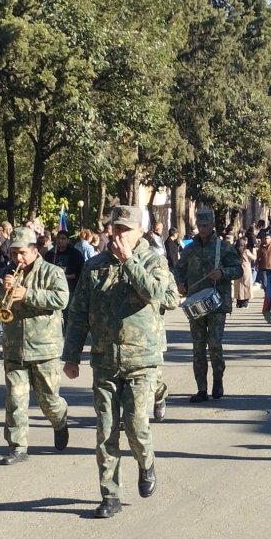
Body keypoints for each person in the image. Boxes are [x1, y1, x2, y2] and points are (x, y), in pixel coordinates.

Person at [63, 205, 178, 519]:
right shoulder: (94, 266)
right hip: (105, 360)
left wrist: (130, 263)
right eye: (115, 229)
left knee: (137, 425)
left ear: (139, 231)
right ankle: (109, 495)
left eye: (126, 229)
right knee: (106, 431)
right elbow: (79, 313)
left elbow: (162, 296)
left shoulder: (155, 261)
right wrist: (71, 356)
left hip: (142, 360)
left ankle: (146, 463)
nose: (119, 235)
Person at [0, 228, 70, 463]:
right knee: (15, 400)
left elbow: (61, 299)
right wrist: (3, 290)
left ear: (35, 251)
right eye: (13, 254)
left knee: (49, 401)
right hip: (14, 347)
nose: (17, 259)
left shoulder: (52, 272)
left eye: (22, 253)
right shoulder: (4, 273)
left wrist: (27, 294)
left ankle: (60, 419)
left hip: (45, 349)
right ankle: (17, 447)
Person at [173, 209, 243, 401]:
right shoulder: (190, 249)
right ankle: (201, 389)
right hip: (196, 302)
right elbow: (177, 269)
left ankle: (218, 381)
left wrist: (223, 273)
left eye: (205, 225)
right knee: (198, 348)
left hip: (217, 303)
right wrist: (180, 283)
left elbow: (238, 270)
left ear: (212, 225)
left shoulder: (224, 247)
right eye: (200, 226)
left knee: (214, 345)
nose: (202, 229)